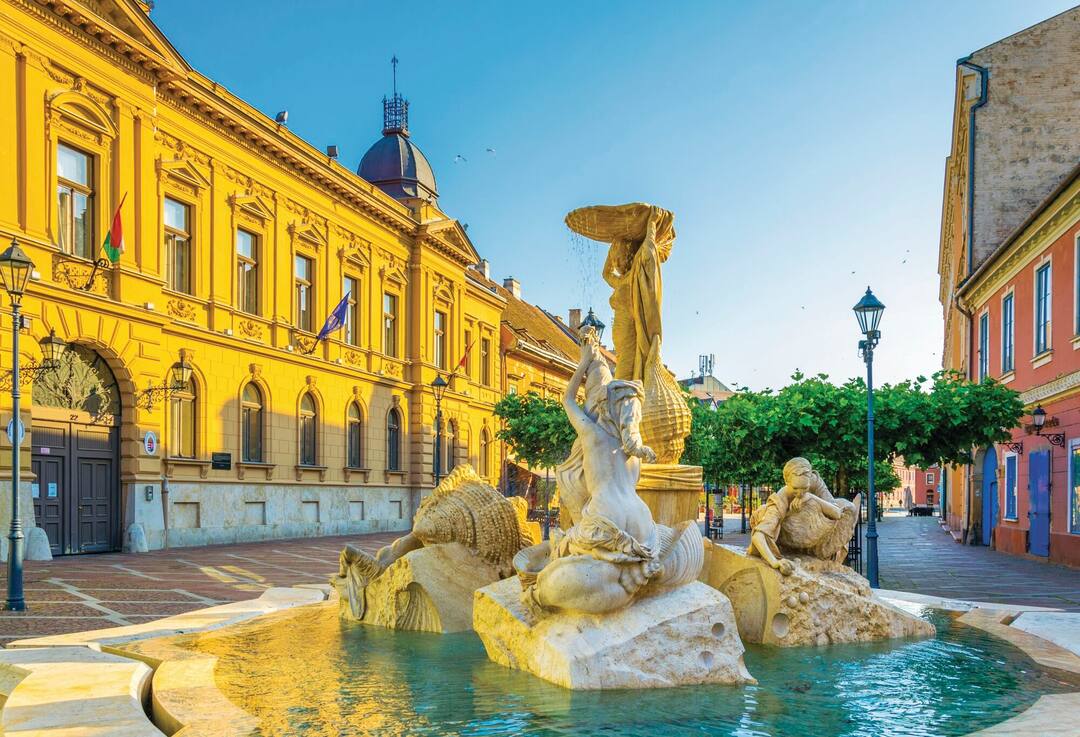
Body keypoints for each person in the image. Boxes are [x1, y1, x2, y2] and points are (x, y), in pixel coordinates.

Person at [747, 458, 850, 575]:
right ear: (787, 482)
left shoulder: (814, 481)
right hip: (789, 534)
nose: (800, 493)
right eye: (795, 488)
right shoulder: (781, 499)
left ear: (809, 479)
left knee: (848, 508)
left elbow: (837, 513)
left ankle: (816, 552)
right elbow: (758, 536)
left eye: (805, 488)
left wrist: (810, 496)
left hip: (813, 531)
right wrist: (775, 562)